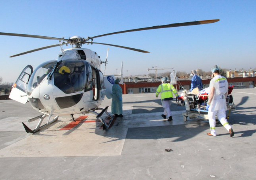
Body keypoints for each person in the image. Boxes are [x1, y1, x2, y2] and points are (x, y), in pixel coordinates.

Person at [207, 65, 234, 137]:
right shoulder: (224, 79)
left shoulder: (213, 80)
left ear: (213, 72)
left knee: (211, 116)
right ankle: (229, 128)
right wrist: (224, 99)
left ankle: (213, 132)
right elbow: (226, 92)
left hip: (215, 100)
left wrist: (209, 101)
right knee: (221, 116)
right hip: (222, 100)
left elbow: (212, 92)